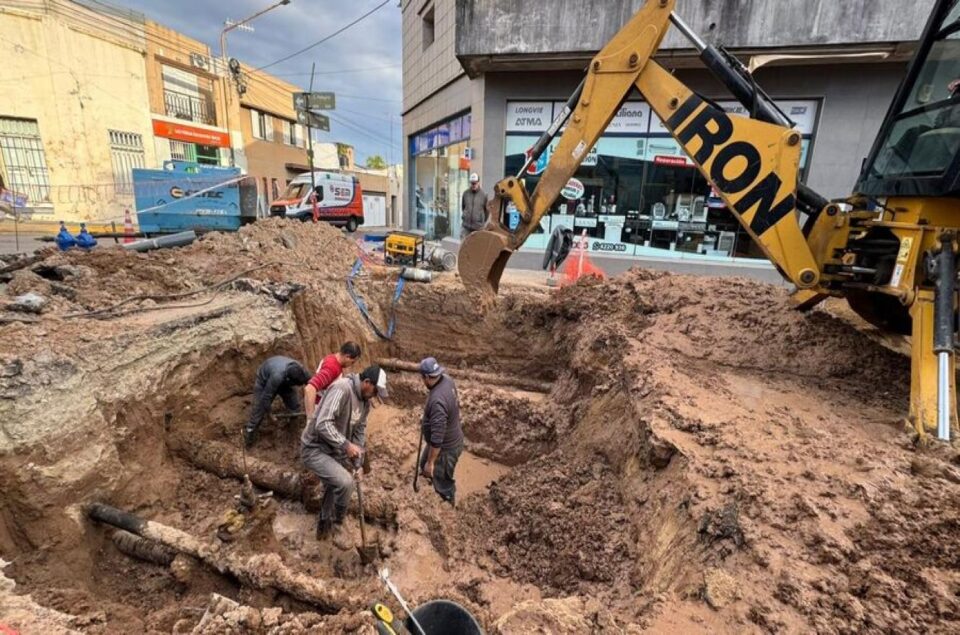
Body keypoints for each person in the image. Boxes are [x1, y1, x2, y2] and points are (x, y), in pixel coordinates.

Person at [301, 365, 389, 539]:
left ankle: (324, 525)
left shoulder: (365, 402)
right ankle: (338, 524)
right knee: (345, 482)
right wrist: (346, 445)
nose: (375, 395)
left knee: (334, 487)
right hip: (315, 448)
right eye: (375, 390)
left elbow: (359, 432)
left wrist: (357, 463)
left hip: (335, 450)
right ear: (366, 382)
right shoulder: (342, 389)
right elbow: (323, 424)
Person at [418, 357, 464, 505]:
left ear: (426, 377)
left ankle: (448, 505)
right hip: (446, 440)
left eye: (422, 378)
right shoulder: (447, 379)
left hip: (445, 449)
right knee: (423, 464)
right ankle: (429, 487)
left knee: (443, 482)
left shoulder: (437, 400)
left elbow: (438, 438)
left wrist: (431, 463)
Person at [244, 356, 311, 447]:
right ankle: (249, 436)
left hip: (283, 379)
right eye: (295, 384)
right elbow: (266, 397)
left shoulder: (302, 371)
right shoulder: (277, 377)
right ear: (289, 380)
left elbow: (312, 386)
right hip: (264, 380)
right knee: (258, 410)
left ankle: (293, 434)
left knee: (295, 406)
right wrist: (270, 414)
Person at [304, 342, 362, 420]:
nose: (351, 365)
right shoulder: (332, 368)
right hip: (320, 410)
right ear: (347, 357)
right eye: (352, 362)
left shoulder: (332, 359)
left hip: (322, 408)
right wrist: (311, 419)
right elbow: (310, 388)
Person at [460, 172, 488, 239]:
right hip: (466, 227)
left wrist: (482, 221)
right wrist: (465, 216)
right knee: (464, 247)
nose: (473, 185)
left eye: (475, 183)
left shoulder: (484, 195)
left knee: (477, 248)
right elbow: (463, 207)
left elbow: (487, 211)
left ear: (478, 182)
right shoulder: (465, 193)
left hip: (478, 228)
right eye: (472, 183)